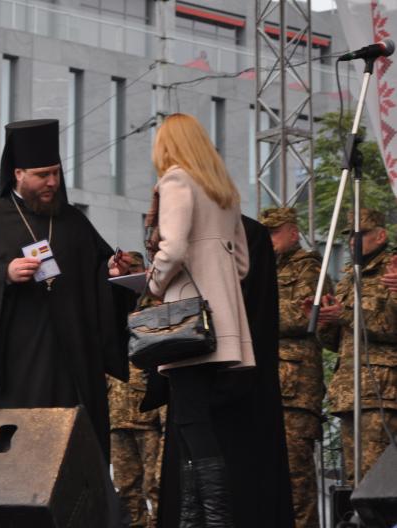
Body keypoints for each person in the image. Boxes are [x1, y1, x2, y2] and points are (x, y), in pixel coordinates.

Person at [0, 118, 134, 464]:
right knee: (24, 460)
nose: (52, 183)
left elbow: (99, 271)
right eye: (42, 175)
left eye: (56, 174)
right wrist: (2, 273)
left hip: (74, 364)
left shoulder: (73, 221)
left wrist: (110, 271)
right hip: (20, 367)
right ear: (18, 173)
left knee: (76, 460)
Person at [147, 113, 252, 527]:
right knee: (196, 424)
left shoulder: (175, 180)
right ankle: (196, 521)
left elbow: (171, 250)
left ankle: (210, 522)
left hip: (187, 325)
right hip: (223, 325)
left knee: (191, 423)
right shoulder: (223, 190)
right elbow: (242, 265)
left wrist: (153, 283)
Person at [156, 216, 295, 528]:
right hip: (217, 364)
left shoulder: (242, 233)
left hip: (216, 367)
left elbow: (255, 304)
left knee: (216, 464)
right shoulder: (228, 231)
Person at [314, 208, 397, 483]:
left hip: (381, 391)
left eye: (361, 235)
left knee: (376, 479)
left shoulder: (392, 270)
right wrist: (325, 321)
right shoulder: (350, 276)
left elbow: (390, 327)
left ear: (381, 235)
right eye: (350, 236)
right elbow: (338, 343)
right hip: (350, 391)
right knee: (353, 480)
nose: (352, 241)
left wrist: (346, 315)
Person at [259, 206, 330, 528]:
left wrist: (255, 314)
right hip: (265, 382)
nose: (269, 239)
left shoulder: (310, 267)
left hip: (297, 389)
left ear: (292, 232)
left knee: (295, 477)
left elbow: (305, 316)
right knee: (266, 475)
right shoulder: (261, 269)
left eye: (274, 232)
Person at [107, 251, 165, 528]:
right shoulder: (112, 306)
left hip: (149, 413)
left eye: (134, 269)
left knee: (156, 485)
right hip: (118, 413)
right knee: (126, 489)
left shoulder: (158, 304)